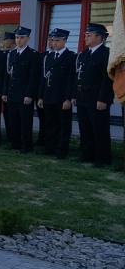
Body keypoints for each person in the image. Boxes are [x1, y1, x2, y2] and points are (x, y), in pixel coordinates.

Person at [74, 23, 114, 167]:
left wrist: (103, 99)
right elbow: (78, 76)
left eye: (89, 35)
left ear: (99, 37)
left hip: (97, 98)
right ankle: (87, 155)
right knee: (85, 128)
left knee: (99, 129)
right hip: (82, 97)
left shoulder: (106, 54)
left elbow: (107, 79)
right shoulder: (85, 54)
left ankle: (102, 158)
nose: (85, 38)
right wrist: (75, 95)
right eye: (86, 35)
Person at [38, 28, 76, 159]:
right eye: (53, 40)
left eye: (57, 40)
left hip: (62, 97)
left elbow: (71, 80)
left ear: (65, 41)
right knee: (50, 124)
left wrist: (68, 98)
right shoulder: (48, 57)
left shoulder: (71, 57)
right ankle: (50, 148)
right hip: (49, 96)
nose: (54, 43)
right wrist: (41, 96)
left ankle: (61, 150)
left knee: (63, 125)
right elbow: (44, 78)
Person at [2, 27, 40, 153]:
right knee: (13, 120)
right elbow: (7, 75)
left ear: (28, 39)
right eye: (17, 37)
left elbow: (33, 77)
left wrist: (29, 94)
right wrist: (5, 92)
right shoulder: (12, 54)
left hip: (24, 94)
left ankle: (26, 146)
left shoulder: (32, 54)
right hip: (12, 93)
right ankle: (15, 144)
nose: (19, 40)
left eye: (22, 37)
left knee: (25, 122)